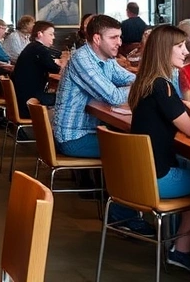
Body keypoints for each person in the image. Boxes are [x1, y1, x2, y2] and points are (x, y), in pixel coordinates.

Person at [129, 25, 190, 272]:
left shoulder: (146, 83)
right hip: (159, 179)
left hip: (139, 176)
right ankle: (188, 252)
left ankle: (181, 249)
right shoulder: (163, 87)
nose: (186, 51)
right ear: (165, 51)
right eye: (180, 46)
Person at [53, 14, 151, 234]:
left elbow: (129, 78)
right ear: (97, 39)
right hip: (73, 137)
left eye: (120, 37)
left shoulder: (105, 59)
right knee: (130, 152)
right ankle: (122, 217)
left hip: (89, 130)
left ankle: (127, 209)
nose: (120, 42)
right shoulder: (82, 59)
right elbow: (114, 97)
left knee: (131, 146)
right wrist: (142, 87)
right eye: (114, 37)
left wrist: (145, 81)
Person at [10, 20, 60, 112]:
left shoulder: (31, 47)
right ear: (40, 34)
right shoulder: (40, 50)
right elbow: (56, 69)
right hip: (29, 102)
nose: (53, 37)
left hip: (21, 99)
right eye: (51, 34)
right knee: (66, 98)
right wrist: (63, 63)